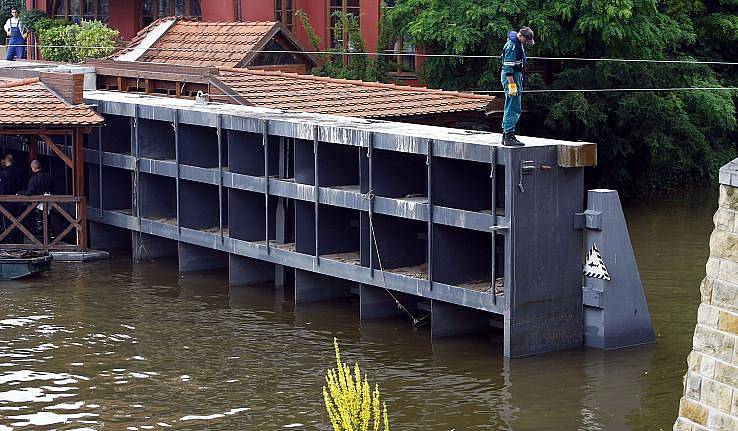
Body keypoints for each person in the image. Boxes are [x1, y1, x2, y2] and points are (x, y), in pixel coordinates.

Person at [500, 26, 535, 147]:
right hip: (511, 77)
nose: (526, 43)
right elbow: (507, 69)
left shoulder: (516, 42)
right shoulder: (512, 46)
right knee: (513, 105)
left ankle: (507, 134)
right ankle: (509, 136)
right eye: (526, 40)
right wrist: (512, 85)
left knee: (512, 104)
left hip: (515, 75)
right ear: (521, 36)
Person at [22, 160, 55, 241]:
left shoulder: (34, 179)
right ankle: (50, 238)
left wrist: (21, 193)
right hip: (49, 201)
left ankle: (41, 241)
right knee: (48, 220)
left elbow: (30, 192)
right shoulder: (49, 176)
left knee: (39, 222)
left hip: (38, 203)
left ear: (33, 168)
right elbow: (53, 188)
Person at [0, 154, 25, 243]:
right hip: (18, 199)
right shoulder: (20, 170)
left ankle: (9, 242)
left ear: (6, 161)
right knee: (18, 221)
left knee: (7, 221)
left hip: (6, 201)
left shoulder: (3, 173)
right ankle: (18, 241)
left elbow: (2, 188)